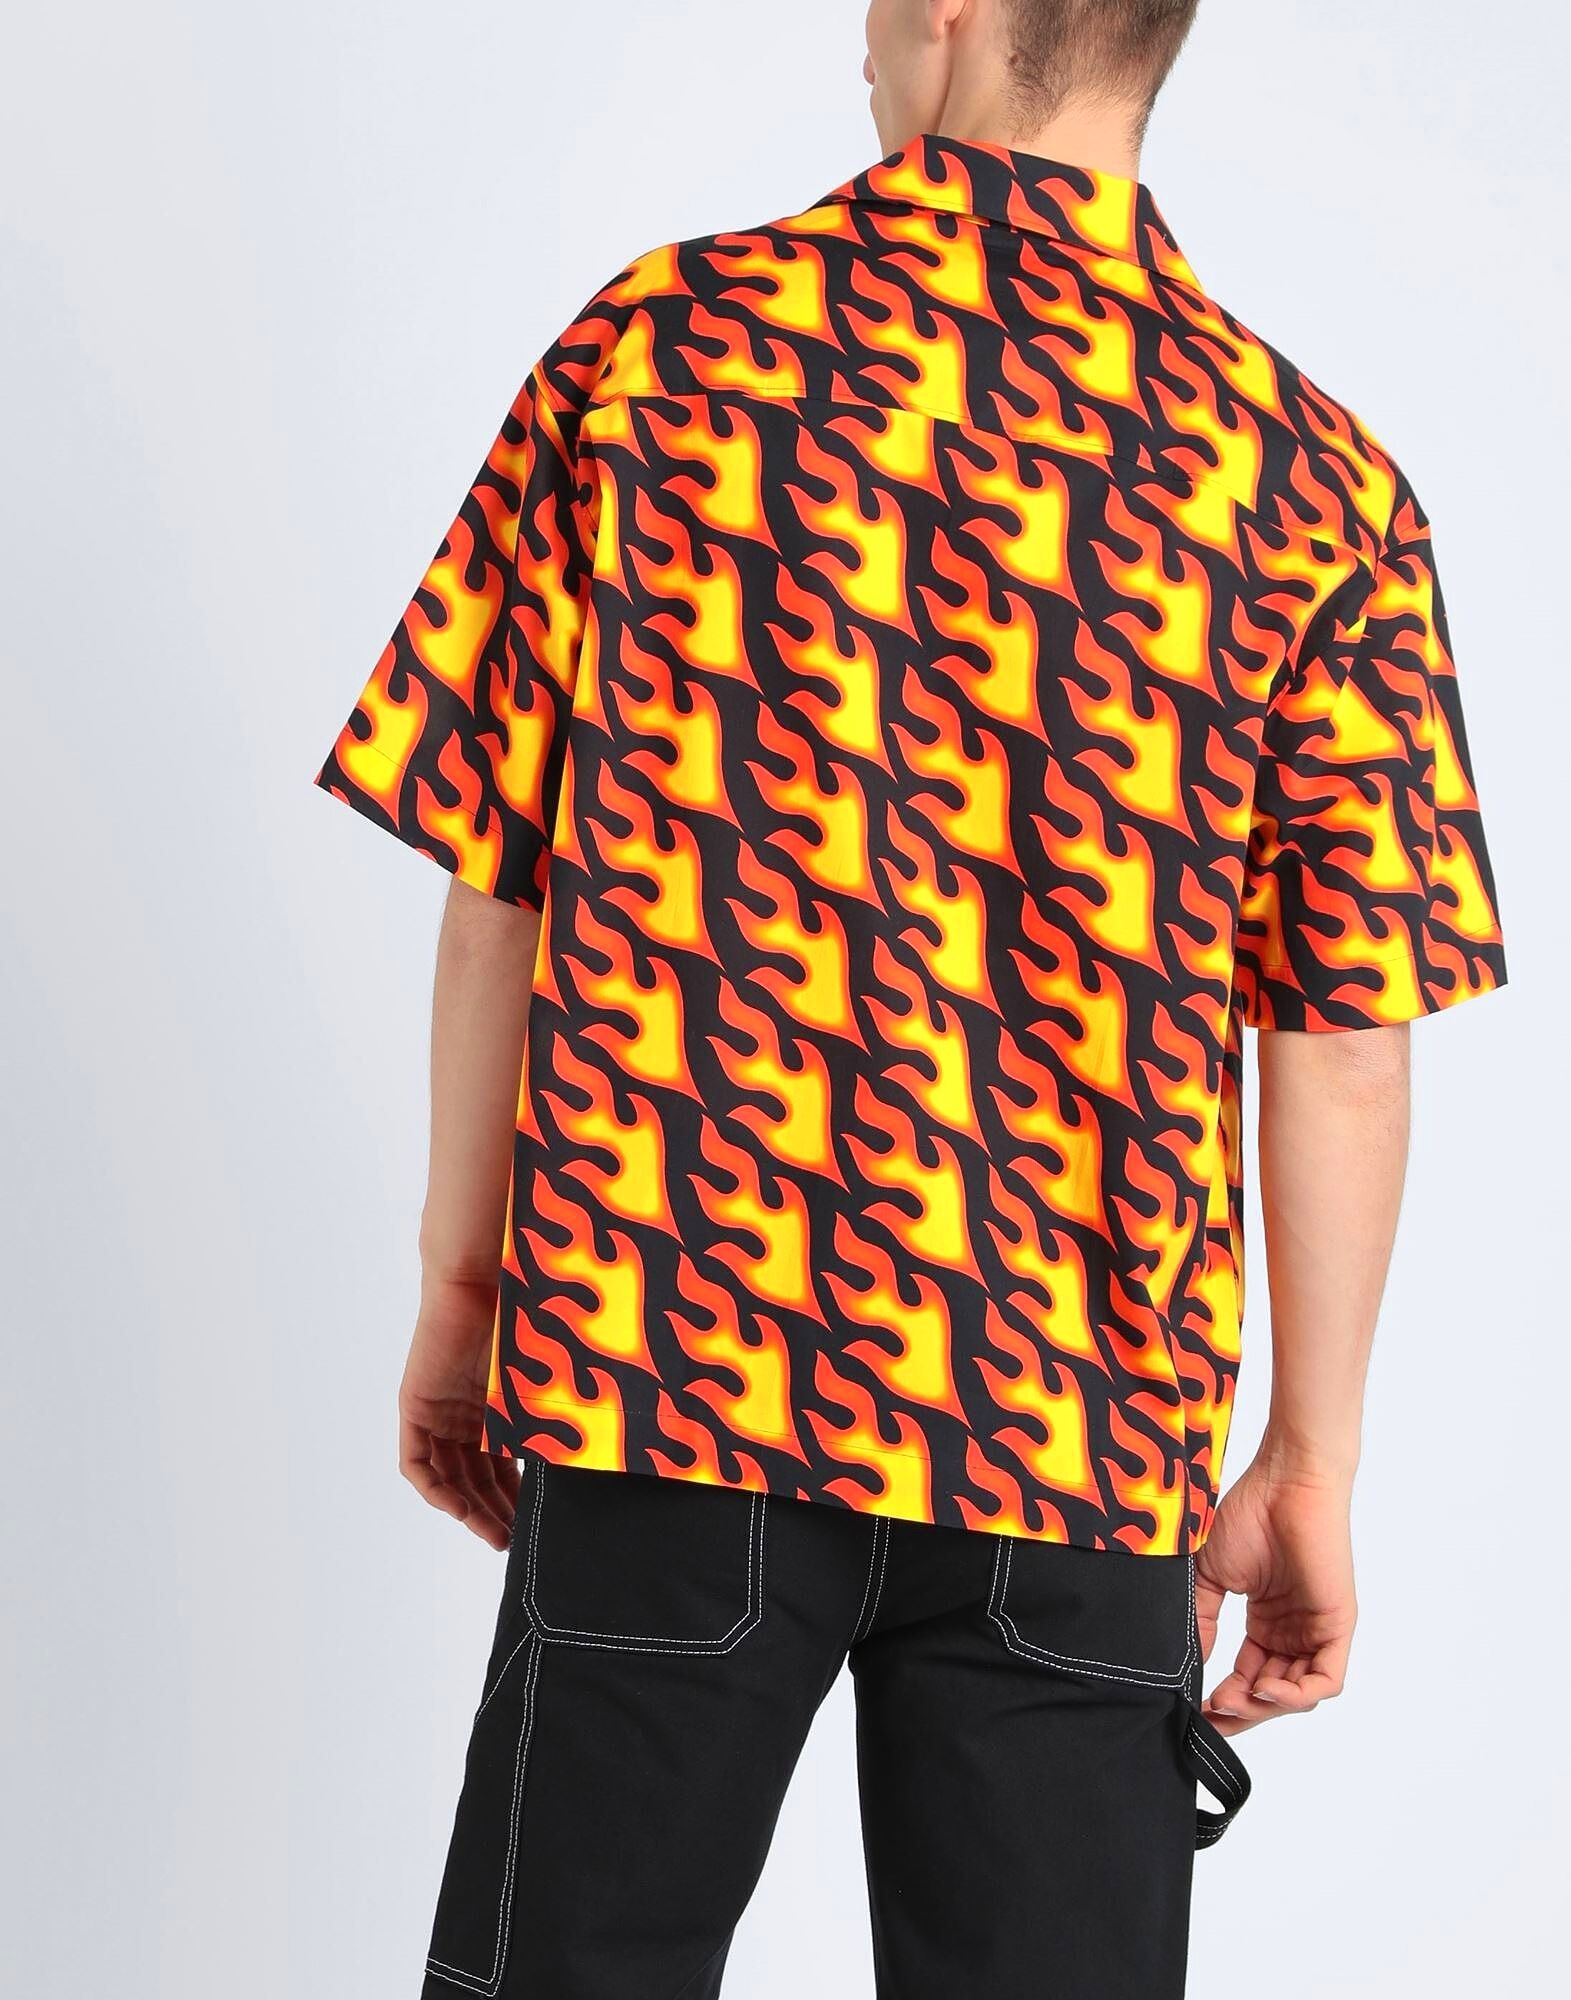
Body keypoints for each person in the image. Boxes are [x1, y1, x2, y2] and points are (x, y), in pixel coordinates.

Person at [312, 1, 1508, 1992]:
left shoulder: (660, 354)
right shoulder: (1314, 484)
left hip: (672, 1371)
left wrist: (464, 1291)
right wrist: (1310, 1467)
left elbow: (497, 889)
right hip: (1077, 1436)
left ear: (948, 13)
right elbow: (1344, 1040)